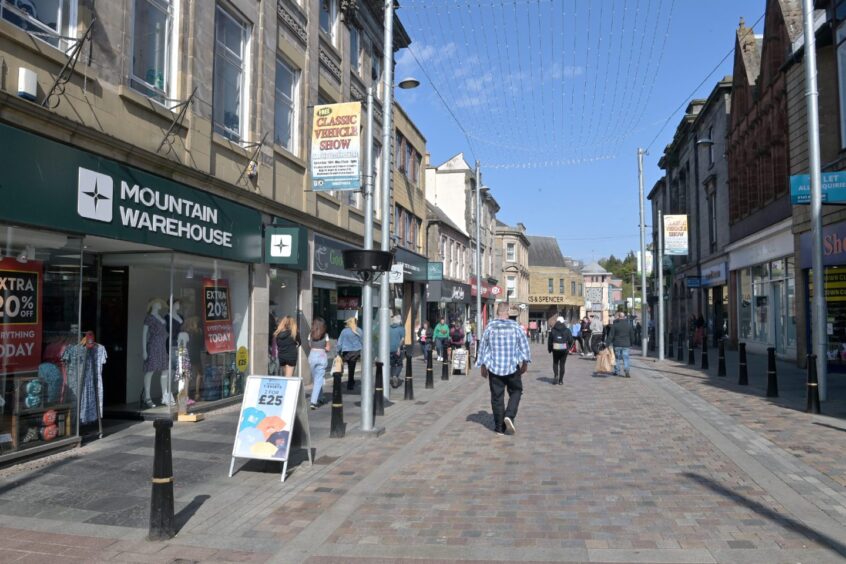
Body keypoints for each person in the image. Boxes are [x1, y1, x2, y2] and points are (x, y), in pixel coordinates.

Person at [477, 302, 531, 436]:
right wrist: (525, 363)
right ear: (507, 312)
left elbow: (483, 347)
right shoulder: (516, 327)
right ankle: (509, 415)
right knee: (516, 391)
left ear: (497, 312)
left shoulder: (489, 327)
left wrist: (483, 365)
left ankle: (499, 428)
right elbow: (524, 346)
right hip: (512, 366)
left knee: (497, 397)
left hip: (494, 368)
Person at [307, 318, 331, 409]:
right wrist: (324, 347)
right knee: (318, 379)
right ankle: (313, 402)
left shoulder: (310, 334)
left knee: (316, 379)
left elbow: (309, 345)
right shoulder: (326, 335)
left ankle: (320, 397)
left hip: (312, 355)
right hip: (321, 356)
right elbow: (328, 348)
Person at [337, 317, 362, 390]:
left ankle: (349, 381)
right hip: (355, 351)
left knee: (348, 366)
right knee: (352, 366)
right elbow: (363, 340)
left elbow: (339, 342)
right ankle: (350, 382)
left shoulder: (344, 331)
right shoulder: (359, 330)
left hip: (346, 351)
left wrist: (338, 352)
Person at [608, 311, 636, 378]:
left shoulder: (615, 325)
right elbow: (632, 335)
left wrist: (607, 343)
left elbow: (611, 335)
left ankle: (617, 371)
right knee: (626, 358)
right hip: (626, 344)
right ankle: (626, 371)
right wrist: (632, 342)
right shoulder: (628, 325)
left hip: (617, 344)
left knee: (617, 358)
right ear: (624, 317)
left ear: (619, 317)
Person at [547, 316, 573, 385]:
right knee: (562, 364)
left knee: (555, 363)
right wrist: (569, 347)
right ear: (562, 322)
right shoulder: (567, 330)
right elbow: (571, 340)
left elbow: (550, 341)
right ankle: (561, 380)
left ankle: (556, 375)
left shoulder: (553, 330)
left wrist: (550, 349)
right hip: (564, 348)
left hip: (555, 348)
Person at [389, 314, 406, 388]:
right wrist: (398, 347)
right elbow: (402, 339)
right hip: (397, 350)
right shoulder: (401, 329)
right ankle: (395, 376)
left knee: (392, 364)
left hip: (389, 350)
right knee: (399, 364)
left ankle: (393, 376)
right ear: (399, 321)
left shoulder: (388, 328)